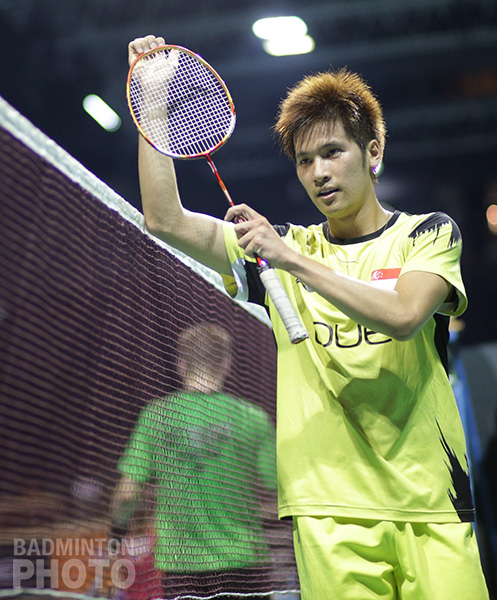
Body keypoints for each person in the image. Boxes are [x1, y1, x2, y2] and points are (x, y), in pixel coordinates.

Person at [127, 35, 489, 599]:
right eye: (304, 161)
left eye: (333, 152)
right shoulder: (277, 250)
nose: (319, 172)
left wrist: (288, 258)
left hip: (431, 499)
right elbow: (164, 219)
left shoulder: (427, 233)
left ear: (373, 152)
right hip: (329, 508)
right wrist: (152, 104)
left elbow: (403, 315)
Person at [112, 322, 277, 599]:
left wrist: (116, 532)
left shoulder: (158, 415)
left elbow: (127, 494)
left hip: (183, 569)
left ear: (181, 364)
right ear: (225, 364)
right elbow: (276, 490)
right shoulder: (253, 417)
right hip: (246, 565)